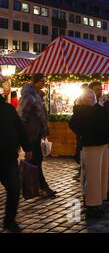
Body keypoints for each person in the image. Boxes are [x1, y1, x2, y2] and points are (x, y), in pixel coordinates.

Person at [69, 89, 109, 219]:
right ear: (82, 98)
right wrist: (84, 135)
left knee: (102, 175)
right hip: (91, 146)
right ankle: (91, 205)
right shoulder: (80, 110)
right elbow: (77, 124)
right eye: (87, 97)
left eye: (92, 97)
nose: (90, 99)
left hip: (102, 144)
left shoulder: (97, 108)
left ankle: (97, 202)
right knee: (93, 177)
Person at [17, 73, 56, 197]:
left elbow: (41, 116)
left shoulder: (38, 95)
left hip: (37, 133)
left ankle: (37, 187)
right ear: (36, 82)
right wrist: (22, 136)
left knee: (36, 160)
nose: (44, 84)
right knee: (36, 160)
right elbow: (21, 116)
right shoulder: (28, 96)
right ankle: (39, 186)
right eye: (42, 81)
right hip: (30, 134)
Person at [0, 95, 31, 232]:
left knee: (14, 188)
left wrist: (27, 147)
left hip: (9, 157)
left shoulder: (7, 109)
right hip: (7, 156)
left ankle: (9, 221)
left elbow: (19, 128)